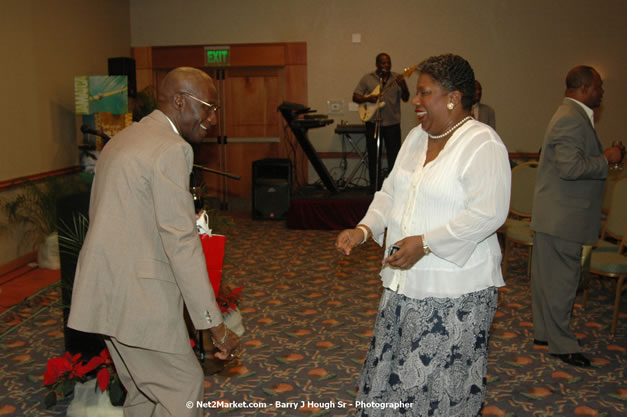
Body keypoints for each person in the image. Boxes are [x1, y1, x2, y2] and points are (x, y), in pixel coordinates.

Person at [337, 54, 510, 417]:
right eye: (416, 93)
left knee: (438, 392)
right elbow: (390, 193)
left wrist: (426, 243)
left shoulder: (482, 143)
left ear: (453, 97)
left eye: (424, 93)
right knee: (392, 380)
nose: (415, 101)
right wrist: (364, 229)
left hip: (455, 294)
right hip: (403, 285)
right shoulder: (416, 137)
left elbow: (488, 214)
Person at [68, 67, 241, 417]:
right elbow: (180, 242)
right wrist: (213, 324)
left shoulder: (122, 140)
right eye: (207, 107)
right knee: (183, 388)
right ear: (180, 101)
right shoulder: (171, 149)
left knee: (144, 395)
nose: (211, 118)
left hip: (104, 292)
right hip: (140, 299)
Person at [530, 65, 623, 368]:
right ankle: (561, 345)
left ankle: (546, 334)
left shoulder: (570, 115)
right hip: (564, 219)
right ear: (584, 88)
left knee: (548, 281)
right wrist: (606, 159)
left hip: (555, 216)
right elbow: (570, 168)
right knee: (562, 283)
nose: (602, 91)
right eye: (599, 86)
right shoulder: (571, 118)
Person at [353, 53, 410, 193]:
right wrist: (368, 98)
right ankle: (375, 187)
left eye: (388, 63)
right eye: (383, 63)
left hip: (393, 124)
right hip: (374, 123)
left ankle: (393, 189)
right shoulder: (368, 78)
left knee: (394, 157)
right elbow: (355, 96)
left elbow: (406, 98)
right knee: (373, 156)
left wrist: (403, 86)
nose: (386, 65)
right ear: (377, 64)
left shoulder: (397, 79)